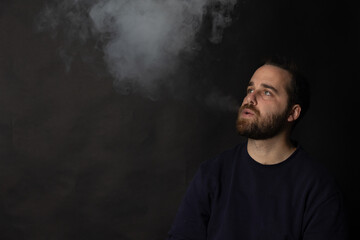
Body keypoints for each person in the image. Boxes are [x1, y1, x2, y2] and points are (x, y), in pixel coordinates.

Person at [166, 56, 348, 240]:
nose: (250, 99)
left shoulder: (318, 188)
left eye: (266, 92)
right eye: (250, 89)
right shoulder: (212, 173)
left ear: (292, 113)